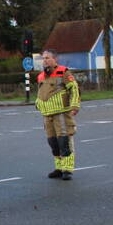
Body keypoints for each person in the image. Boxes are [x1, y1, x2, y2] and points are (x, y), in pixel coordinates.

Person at [35, 50, 80, 180]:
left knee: (64, 141)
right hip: (47, 115)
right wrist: (38, 103)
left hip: (61, 113)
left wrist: (75, 106)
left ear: (55, 59)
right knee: (53, 142)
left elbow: (74, 89)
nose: (45, 61)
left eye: (47, 58)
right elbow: (41, 92)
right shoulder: (41, 76)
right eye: (43, 58)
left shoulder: (63, 72)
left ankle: (67, 169)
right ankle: (59, 168)